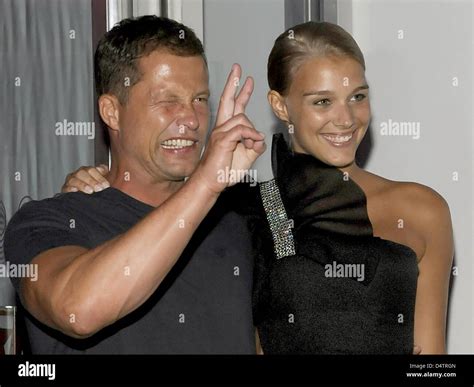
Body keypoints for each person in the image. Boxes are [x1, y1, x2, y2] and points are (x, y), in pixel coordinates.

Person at [67, 21, 453, 355]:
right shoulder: (240, 209)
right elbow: (152, 221)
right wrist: (98, 182)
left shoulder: (422, 209)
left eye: (358, 97)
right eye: (322, 101)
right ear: (280, 107)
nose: (346, 119)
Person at [4, 16, 266, 354]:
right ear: (112, 112)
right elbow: (78, 310)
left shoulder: (231, 225)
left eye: (199, 99)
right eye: (168, 100)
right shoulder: (46, 222)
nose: (190, 119)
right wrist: (205, 184)